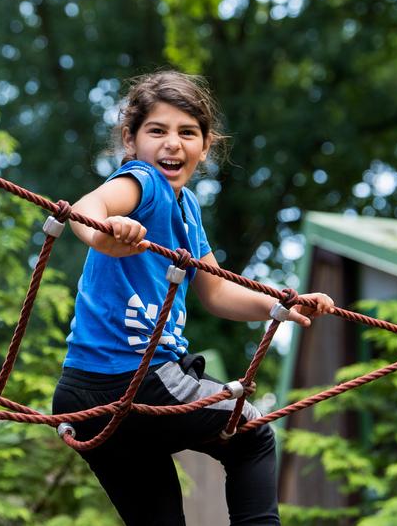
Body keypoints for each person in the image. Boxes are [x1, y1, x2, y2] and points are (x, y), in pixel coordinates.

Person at [52, 71, 334, 525]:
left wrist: (278, 304)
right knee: (253, 436)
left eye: (188, 133)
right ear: (131, 139)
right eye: (157, 131)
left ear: (206, 146)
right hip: (135, 377)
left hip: (83, 394)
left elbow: (216, 289)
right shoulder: (142, 181)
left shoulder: (186, 209)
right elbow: (88, 207)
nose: (172, 144)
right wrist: (103, 234)